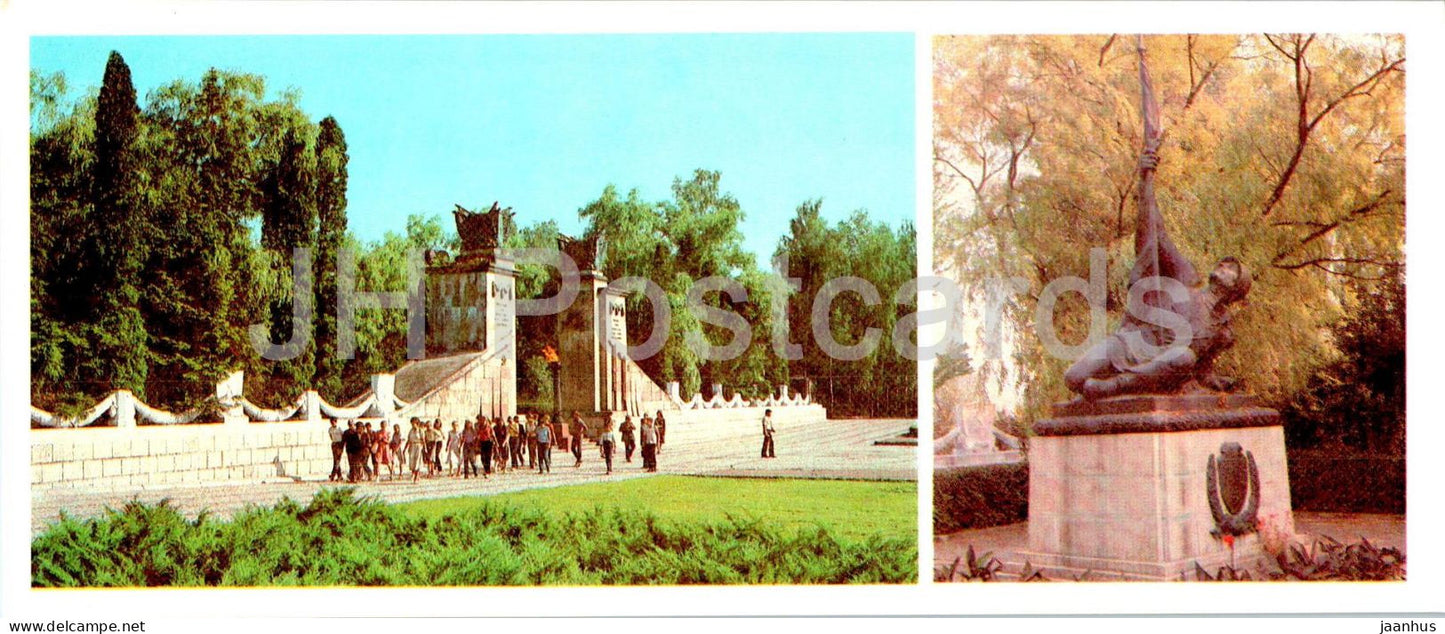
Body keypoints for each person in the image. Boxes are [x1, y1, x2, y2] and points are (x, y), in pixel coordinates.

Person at [1062, 148, 1253, 400]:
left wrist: (1217, 383)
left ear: (1236, 288)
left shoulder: (1221, 331)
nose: (1223, 266)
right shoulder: (1186, 278)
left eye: (1231, 269)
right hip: (1130, 344)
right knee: (1073, 378)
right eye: (1224, 263)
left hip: (1165, 365)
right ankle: (1112, 385)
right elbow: (1156, 234)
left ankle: (1116, 386)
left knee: (1184, 357)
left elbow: (1203, 370)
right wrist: (1144, 181)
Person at [406, 418, 425, 483]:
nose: (412, 425)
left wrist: (425, 448)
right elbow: (408, 440)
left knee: (417, 461)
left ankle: (416, 476)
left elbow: (423, 440)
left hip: (418, 446)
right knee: (412, 461)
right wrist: (405, 448)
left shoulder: (420, 431)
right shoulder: (411, 431)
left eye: (413, 423)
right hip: (412, 446)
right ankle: (413, 474)